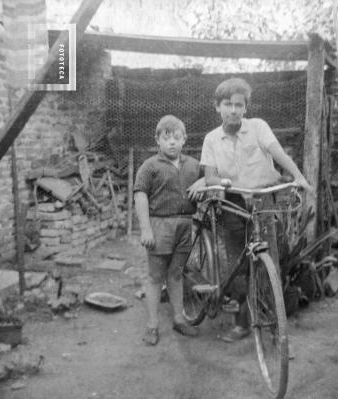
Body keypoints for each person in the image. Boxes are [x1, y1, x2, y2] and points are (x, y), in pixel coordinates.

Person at [200, 78, 313, 343]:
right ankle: (241, 323)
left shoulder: (258, 127)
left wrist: (298, 176)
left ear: (246, 108)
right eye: (228, 104)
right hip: (233, 203)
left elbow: (278, 153)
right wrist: (226, 184)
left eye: (239, 105)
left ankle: (277, 332)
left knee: (268, 262)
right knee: (239, 264)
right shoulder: (211, 139)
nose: (234, 110)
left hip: (263, 201)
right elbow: (210, 177)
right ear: (218, 107)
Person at [134, 115, 203, 346]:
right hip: (159, 225)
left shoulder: (193, 165)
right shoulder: (150, 166)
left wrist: (204, 183)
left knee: (176, 274)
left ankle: (179, 319)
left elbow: (211, 179)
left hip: (185, 225)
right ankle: (152, 325)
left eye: (177, 137)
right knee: (155, 277)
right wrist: (145, 229)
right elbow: (140, 195)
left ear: (184, 140)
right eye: (167, 138)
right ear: (158, 140)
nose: (172, 142)